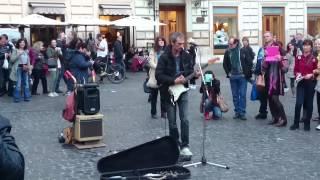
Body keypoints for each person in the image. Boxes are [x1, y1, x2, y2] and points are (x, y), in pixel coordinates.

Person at [156, 32, 200, 158]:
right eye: (179, 44)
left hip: (183, 90)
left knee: (185, 119)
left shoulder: (186, 56)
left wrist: (194, 76)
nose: (182, 46)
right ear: (172, 43)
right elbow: (158, 75)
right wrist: (173, 80)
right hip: (169, 91)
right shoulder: (164, 57)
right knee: (172, 122)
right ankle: (175, 144)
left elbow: (190, 72)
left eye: (183, 44)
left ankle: (185, 146)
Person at [223, 37, 253, 120]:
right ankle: (237, 112)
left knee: (242, 95)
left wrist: (245, 73)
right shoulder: (228, 52)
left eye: (231, 44)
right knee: (235, 95)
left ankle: (242, 112)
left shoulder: (243, 51)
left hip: (242, 76)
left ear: (236, 44)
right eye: (228, 43)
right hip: (233, 76)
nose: (229, 45)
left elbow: (249, 62)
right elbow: (225, 64)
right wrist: (228, 73)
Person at [262, 32, 288, 127]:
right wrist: (265, 57)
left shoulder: (278, 47)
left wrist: (279, 58)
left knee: (275, 98)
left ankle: (283, 119)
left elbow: (285, 66)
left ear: (272, 37)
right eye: (264, 36)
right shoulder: (264, 48)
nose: (266, 38)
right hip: (268, 77)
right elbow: (264, 66)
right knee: (270, 98)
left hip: (277, 77)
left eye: (267, 36)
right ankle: (275, 117)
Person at [290, 39, 317, 131]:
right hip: (301, 82)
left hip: (310, 83)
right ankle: (296, 123)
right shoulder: (298, 57)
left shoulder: (314, 58)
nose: (306, 47)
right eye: (304, 45)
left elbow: (317, 71)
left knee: (309, 104)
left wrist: (311, 75)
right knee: (298, 103)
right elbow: (295, 69)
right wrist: (297, 74)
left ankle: (307, 123)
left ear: (311, 47)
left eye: (308, 45)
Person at [147, 36, 167, 119]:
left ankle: (163, 112)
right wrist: (159, 67)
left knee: (163, 97)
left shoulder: (166, 51)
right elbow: (150, 62)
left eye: (162, 40)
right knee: (154, 96)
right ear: (157, 42)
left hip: (164, 76)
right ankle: (153, 112)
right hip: (155, 75)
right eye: (159, 40)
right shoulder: (153, 51)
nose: (161, 41)